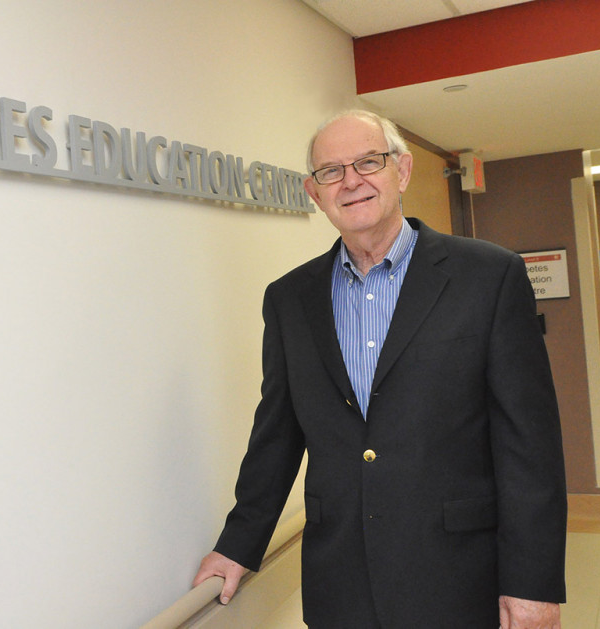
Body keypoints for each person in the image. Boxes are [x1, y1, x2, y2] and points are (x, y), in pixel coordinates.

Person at [193, 110, 567, 628]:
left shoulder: (488, 276)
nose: (351, 182)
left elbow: (530, 446)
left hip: (458, 579)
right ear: (314, 192)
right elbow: (277, 434)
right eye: (331, 171)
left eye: (368, 162)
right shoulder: (289, 299)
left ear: (403, 171)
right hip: (342, 585)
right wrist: (237, 546)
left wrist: (533, 586)